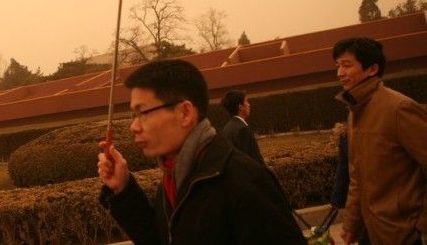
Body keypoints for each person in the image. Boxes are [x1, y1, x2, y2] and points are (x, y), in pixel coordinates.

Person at [97, 59, 305, 244]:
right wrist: (123, 188)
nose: (134, 126)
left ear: (185, 113)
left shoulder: (244, 181)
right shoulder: (174, 178)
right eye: (134, 115)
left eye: (142, 113)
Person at [334, 37, 427, 245]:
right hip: (370, 232)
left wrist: (421, 227)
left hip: (403, 235)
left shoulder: (399, 108)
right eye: (338, 66)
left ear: (372, 69)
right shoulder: (354, 112)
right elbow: (357, 176)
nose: (340, 73)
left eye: (347, 65)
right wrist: (351, 224)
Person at [220, 90, 265, 166]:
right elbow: (252, 160)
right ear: (240, 107)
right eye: (246, 101)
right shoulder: (243, 130)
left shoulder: (227, 128)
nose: (249, 105)